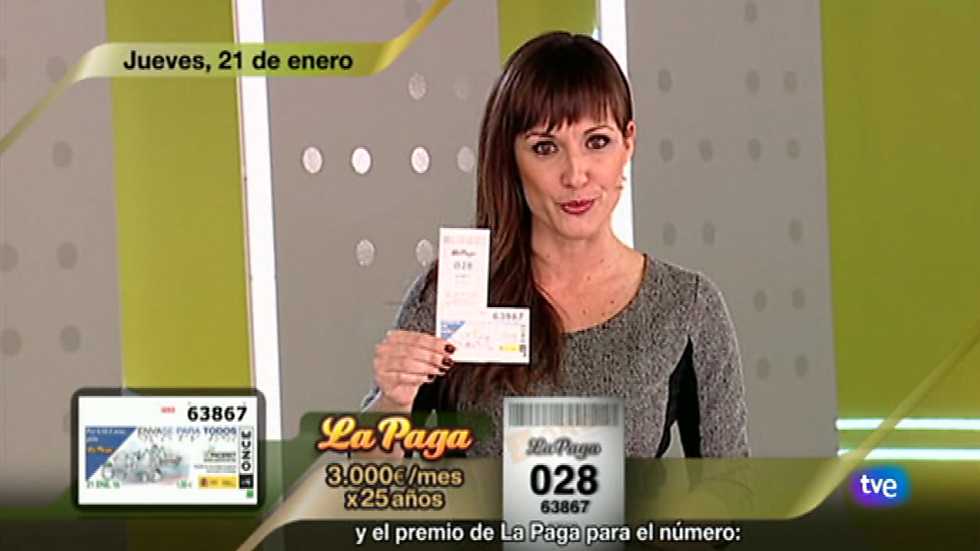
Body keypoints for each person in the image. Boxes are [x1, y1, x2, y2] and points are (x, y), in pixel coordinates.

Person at [361, 31, 749, 458]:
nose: (575, 174)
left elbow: (730, 485)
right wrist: (392, 402)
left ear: (628, 143)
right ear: (510, 157)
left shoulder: (687, 305)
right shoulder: (452, 296)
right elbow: (367, 482)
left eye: (597, 142)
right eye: (545, 148)